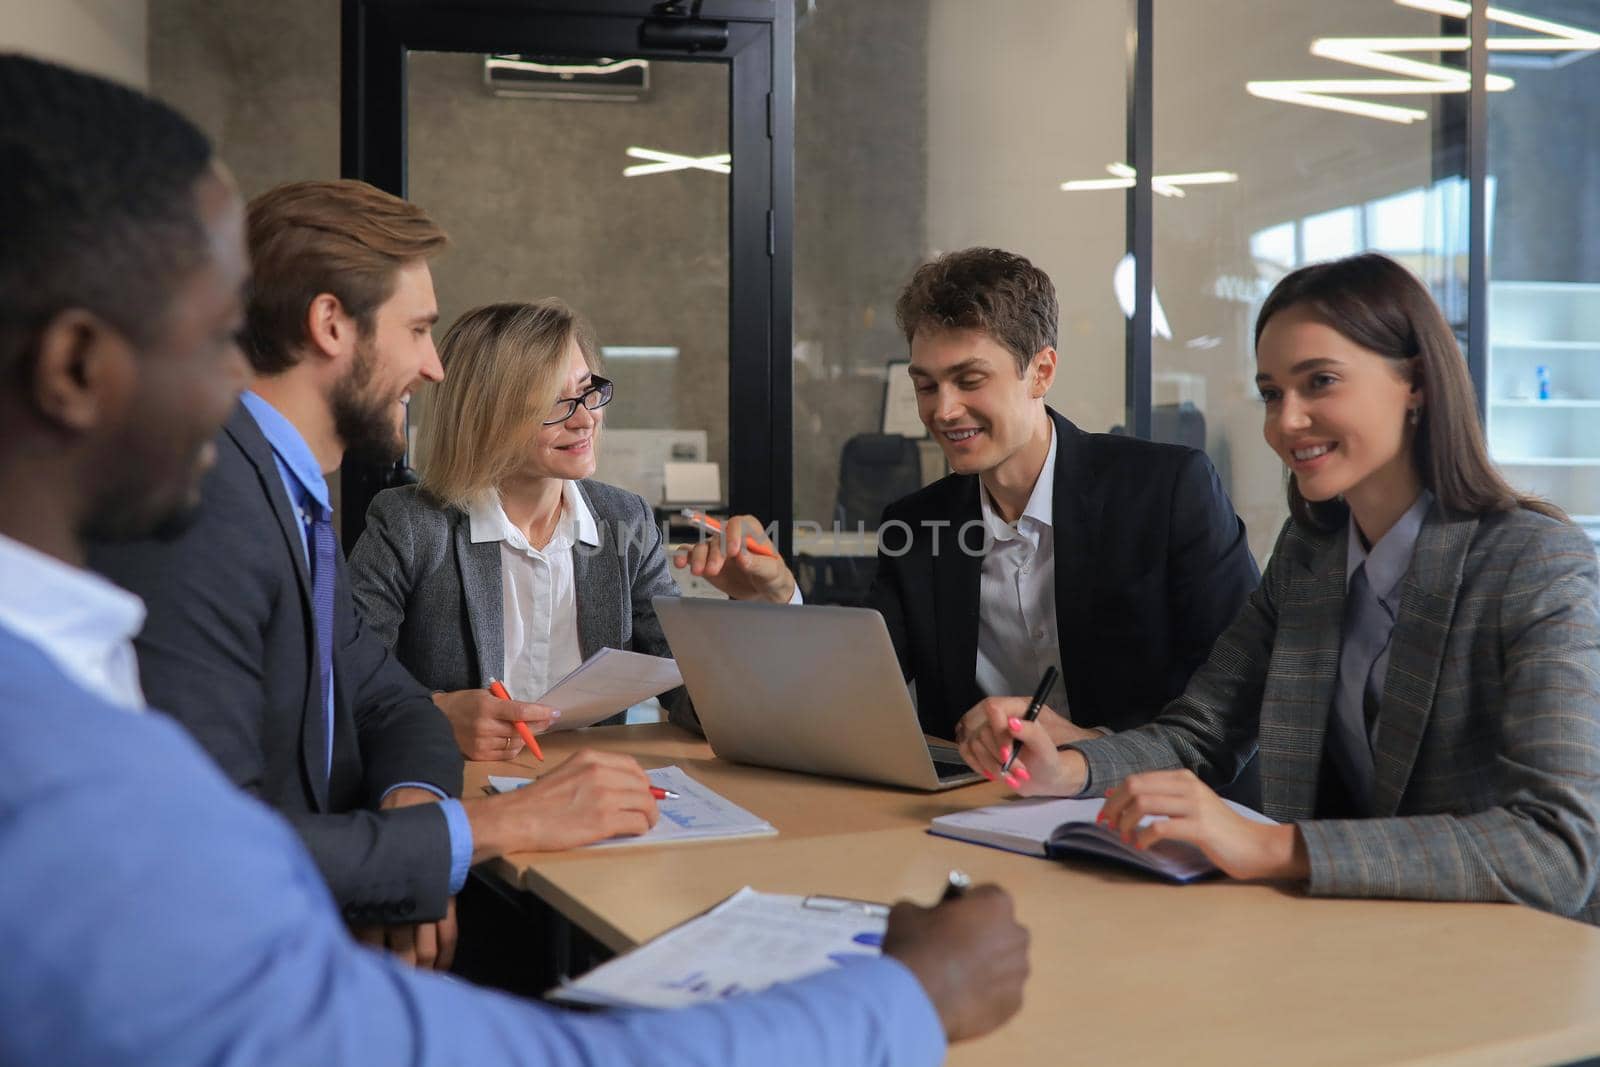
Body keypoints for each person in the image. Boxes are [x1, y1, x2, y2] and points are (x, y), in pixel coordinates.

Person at [0, 52, 1030, 1067]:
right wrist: (904, 998)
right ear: (77, 368)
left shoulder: (196, 565)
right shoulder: (195, 574)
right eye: (221, 332)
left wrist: (419, 807)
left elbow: (383, 701)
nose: (247, 375)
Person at [89, 179, 664, 971]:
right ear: (330, 324)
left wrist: (412, 833)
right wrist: (489, 828)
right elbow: (208, 845)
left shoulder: (290, 494)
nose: (434, 368)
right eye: (419, 329)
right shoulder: (204, 507)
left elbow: (391, 703)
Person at [963, 252, 1600, 922]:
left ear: (1415, 382)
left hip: (1515, 966)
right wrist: (1069, 768)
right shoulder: (1312, 554)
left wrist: (1275, 845)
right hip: (1348, 939)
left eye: (1319, 382)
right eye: (1272, 393)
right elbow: (1200, 732)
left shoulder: (1535, 561)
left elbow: (1557, 847)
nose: (1286, 421)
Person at [877, 248, 1260, 794]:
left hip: (1156, 806)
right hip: (976, 811)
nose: (943, 410)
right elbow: (861, 692)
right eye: (926, 385)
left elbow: (1236, 703)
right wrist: (779, 601)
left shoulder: (1168, 492)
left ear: (1041, 372)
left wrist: (1088, 745)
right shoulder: (916, 525)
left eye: (969, 379)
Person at [350, 299, 799, 758]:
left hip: (591, 791)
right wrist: (436, 714)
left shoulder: (627, 521)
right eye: (555, 402)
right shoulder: (409, 524)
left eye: (587, 390)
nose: (586, 418)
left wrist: (765, 609)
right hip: (460, 792)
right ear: (484, 416)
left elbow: (697, 705)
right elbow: (341, 684)